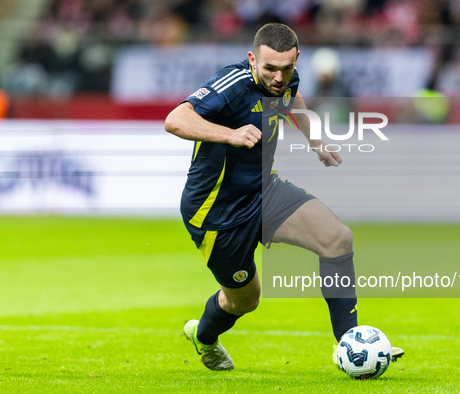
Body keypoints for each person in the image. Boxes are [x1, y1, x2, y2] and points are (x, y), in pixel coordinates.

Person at [164, 23, 404, 371]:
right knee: (245, 301)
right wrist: (229, 134)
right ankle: (204, 337)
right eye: (270, 69)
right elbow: (175, 120)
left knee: (337, 239)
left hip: (264, 191)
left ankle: (352, 343)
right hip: (217, 213)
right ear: (252, 59)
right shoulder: (230, 86)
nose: (279, 78)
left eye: (286, 68)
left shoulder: (287, 79)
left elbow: (293, 97)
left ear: (296, 59)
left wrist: (316, 141)